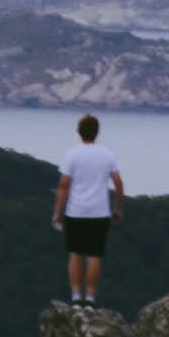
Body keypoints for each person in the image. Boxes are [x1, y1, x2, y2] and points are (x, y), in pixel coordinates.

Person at [52, 114, 125, 308]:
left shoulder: (72, 155)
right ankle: (91, 299)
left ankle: (76, 297)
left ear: (79, 132)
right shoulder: (107, 155)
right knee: (94, 256)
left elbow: (63, 186)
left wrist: (57, 213)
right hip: (100, 213)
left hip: (75, 212)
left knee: (75, 254)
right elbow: (118, 183)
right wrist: (117, 208)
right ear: (97, 132)